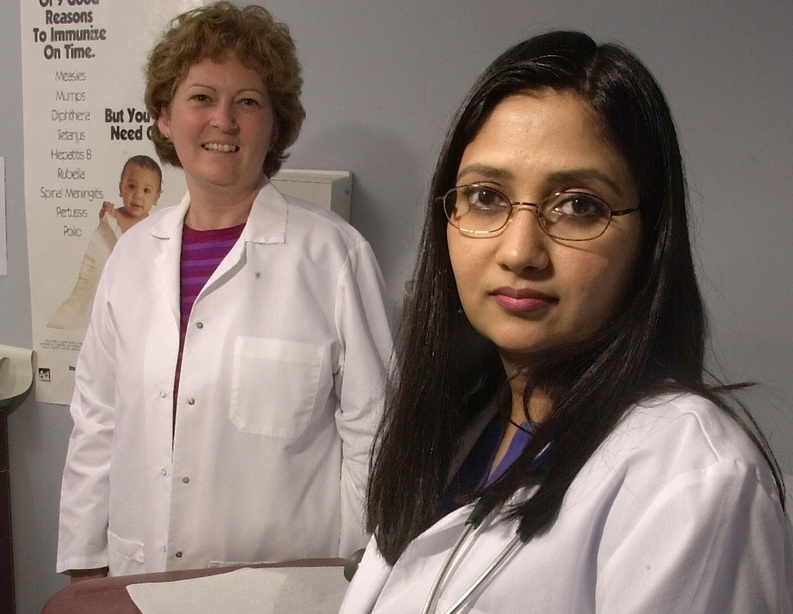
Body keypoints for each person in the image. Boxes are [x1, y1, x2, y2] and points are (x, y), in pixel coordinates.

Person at [340, 31, 793, 613]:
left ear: (651, 239)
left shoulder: (694, 480)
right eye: (485, 196)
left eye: (579, 205)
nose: (520, 251)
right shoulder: (464, 422)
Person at [57, 1, 392, 581]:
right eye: (201, 98)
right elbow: (97, 422)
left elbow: (375, 440)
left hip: (286, 588)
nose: (224, 121)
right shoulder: (131, 259)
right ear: (165, 117)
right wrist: (87, 570)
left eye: (248, 102)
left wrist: (355, 580)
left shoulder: (334, 257)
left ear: (277, 124)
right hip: (142, 579)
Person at [48, 155, 162, 330]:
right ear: (120, 189)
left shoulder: (155, 225)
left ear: (156, 197)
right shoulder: (115, 216)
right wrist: (106, 218)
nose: (138, 196)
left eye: (146, 191)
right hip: (114, 282)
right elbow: (106, 239)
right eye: (131, 187)